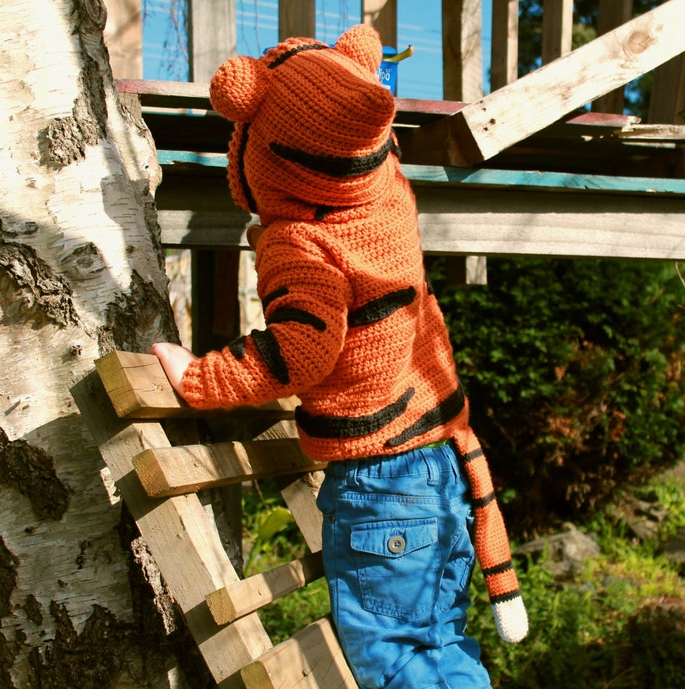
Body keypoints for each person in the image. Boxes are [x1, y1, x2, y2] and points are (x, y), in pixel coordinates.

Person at [151, 24, 527, 689]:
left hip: (384, 484)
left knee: (401, 662)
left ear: (262, 149)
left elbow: (302, 350)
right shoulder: (387, 198)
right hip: (437, 465)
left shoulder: (300, 238)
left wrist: (201, 377)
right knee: (437, 648)